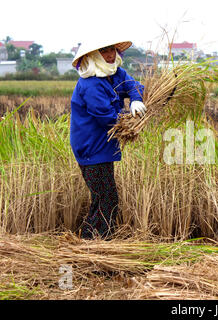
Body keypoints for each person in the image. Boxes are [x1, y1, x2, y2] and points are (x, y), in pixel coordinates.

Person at [70, 40, 146, 240]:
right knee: (106, 198)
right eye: (103, 50)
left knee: (103, 198)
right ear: (93, 55)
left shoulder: (115, 73)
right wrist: (130, 121)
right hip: (91, 149)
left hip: (104, 147)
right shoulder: (90, 84)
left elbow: (132, 85)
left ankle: (93, 241)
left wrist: (136, 99)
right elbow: (106, 117)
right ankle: (95, 241)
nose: (110, 54)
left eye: (112, 49)